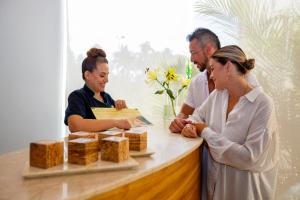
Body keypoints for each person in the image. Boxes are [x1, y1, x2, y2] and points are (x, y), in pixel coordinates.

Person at [181, 45, 279, 200]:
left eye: (213, 69)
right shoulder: (217, 96)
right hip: (214, 192)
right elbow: (196, 117)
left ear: (228, 67)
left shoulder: (263, 104)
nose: (211, 75)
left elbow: (249, 158)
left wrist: (205, 131)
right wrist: (189, 126)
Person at [64, 48, 132, 132]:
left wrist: (124, 111)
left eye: (107, 76)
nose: (107, 80)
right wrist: (115, 122)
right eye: (102, 76)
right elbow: (75, 126)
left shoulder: (107, 97)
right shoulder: (77, 96)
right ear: (87, 75)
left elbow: (126, 124)